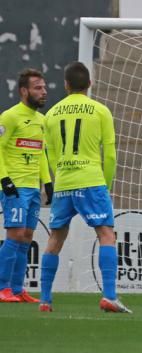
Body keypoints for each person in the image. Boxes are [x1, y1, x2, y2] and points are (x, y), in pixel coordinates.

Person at [38, 62, 129, 313]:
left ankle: (45, 300)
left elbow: (51, 154)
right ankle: (109, 296)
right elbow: (109, 154)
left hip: (64, 182)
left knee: (55, 238)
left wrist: (61, 178)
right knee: (106, 234)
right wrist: (106, 185)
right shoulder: (100, 111)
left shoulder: (51, 114)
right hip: (91, 180)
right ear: (89, 84)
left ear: (66, 85)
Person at [0, 69, 53, 303]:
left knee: (27, 236)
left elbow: (40, 153)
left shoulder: (42, 121)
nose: (44, 92)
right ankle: (2, 287)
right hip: (15, 186)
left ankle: (17, 288)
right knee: (15, 234)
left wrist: (48, 182)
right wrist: (4, 179)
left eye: (44, 87)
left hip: (32, 188)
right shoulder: (9, 117)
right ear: (24, 91)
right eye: (38, 88)